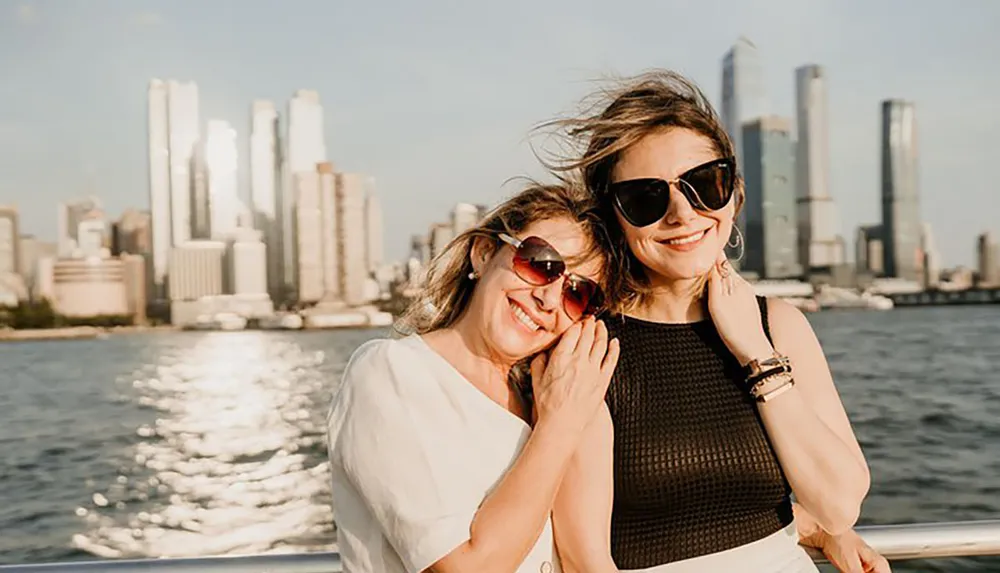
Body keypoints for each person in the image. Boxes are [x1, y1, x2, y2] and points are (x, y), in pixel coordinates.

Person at [543, 70, 890, 573]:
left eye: (705, 183)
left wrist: (756, 354)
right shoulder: (590, 344)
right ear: (612, 216)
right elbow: (580, 555)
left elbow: (838, 505)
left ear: (736, 193)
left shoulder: (777, 325)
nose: (683, 213)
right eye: (646, 198)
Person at [326, 182, 620, 573]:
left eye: (577, 293)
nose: (548, 299)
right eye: (540, 263)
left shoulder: (555, 397)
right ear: (483, 254)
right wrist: (559, 427)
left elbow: (587, 560)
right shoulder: (391, 373)